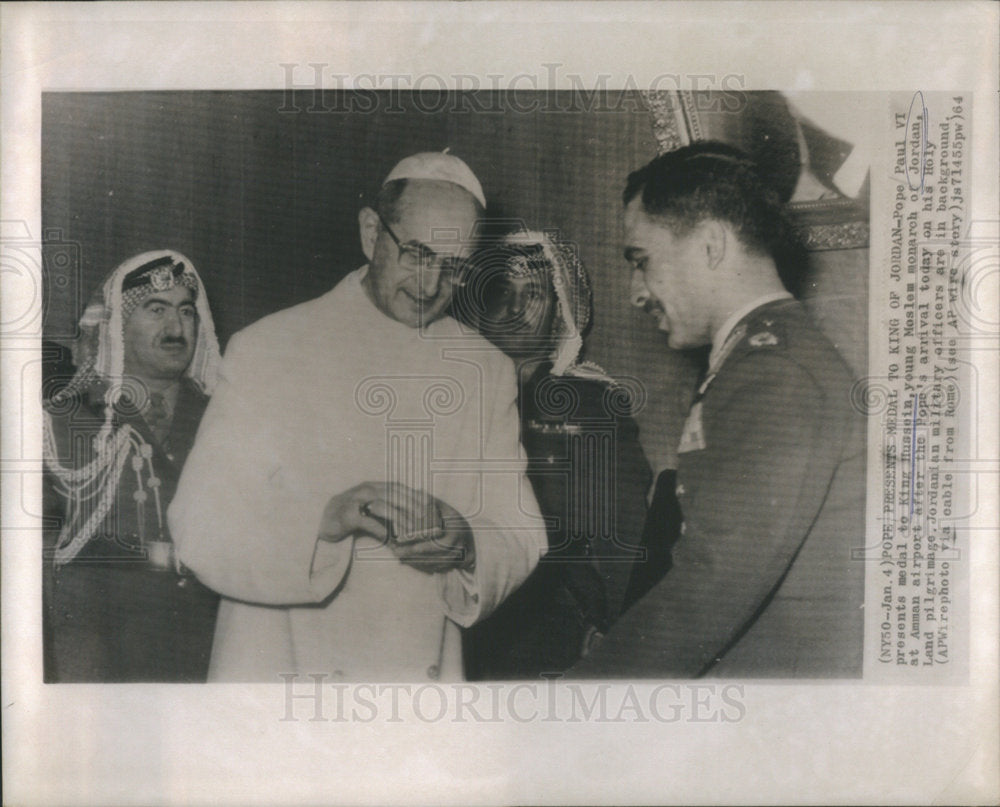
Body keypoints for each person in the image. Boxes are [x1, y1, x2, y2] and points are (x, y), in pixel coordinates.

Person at [169, 152, 548, 682]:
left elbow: (520, 532)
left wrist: (467, 543)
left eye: (455, 266)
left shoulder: (485, 371)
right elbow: (199, 527)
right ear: (372, 233)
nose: (431, 283)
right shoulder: (269, 349)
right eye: (417, 253)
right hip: (284, 671)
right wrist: (325, 522)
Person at [572, 141, 865, 678]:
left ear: (709, 245)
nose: (637, 292)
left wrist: (571, 698)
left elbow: (706, 594)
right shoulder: (761, 356)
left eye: (643, 261)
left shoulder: (773, 374)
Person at [457, 231, 654, 678]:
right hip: (464, 606)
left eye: (534, 295)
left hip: (552, 613)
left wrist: (612, 628)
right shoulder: (454, 397)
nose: (513, 309)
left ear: (562, 306)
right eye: (502, 292)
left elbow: (624, 533)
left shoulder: (590, 402)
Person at [42, 250, 223, 682]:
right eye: (155, 309)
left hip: (210, 649)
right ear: (118, 325)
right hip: (98, 654)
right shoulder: (64, 422)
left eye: (186, 311)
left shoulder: (227, 416)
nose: (176, 328)